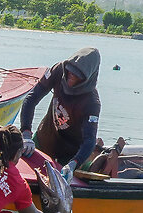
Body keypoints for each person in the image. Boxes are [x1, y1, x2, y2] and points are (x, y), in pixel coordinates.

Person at [19, 47, 102, 180]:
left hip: (68, 154)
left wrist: (74, 164)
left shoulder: (91, 102)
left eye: (77, 75)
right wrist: (26, 134)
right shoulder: (58, 70)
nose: (71, 76)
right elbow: (31, 99)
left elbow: (89, 139)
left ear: (86, 78)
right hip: (43, 139)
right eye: (70, 72)